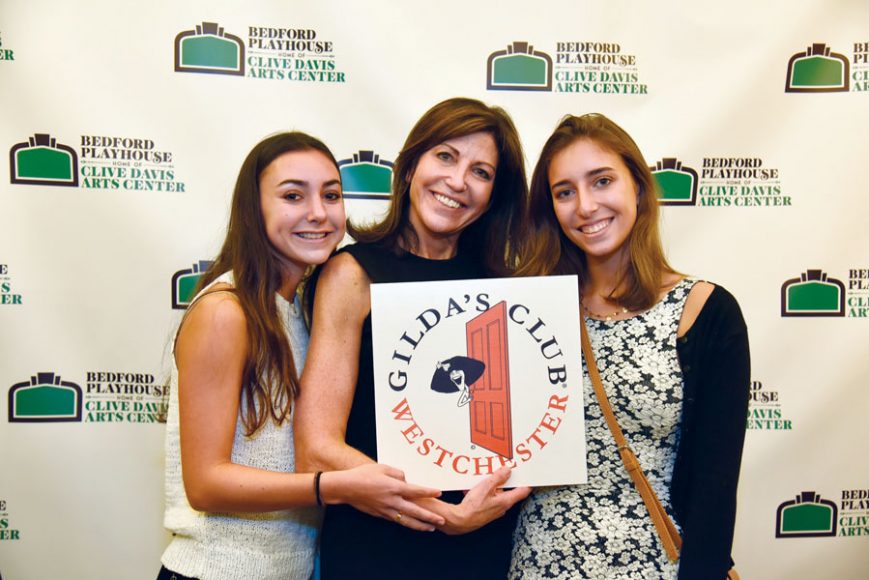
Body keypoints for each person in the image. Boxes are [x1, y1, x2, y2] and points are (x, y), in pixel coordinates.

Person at [159, 132, 444, 580]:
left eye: (331, 195)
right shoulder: (226, 311)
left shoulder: (302, 307)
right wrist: (334, 486)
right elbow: (206, 484)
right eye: (293, 195)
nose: (318, 213)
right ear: (254, 210)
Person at [295, 98, 532, 580]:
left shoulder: (505, 291)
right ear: (409, 168)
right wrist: (439, 513)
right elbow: (317, 447)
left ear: (493, 196)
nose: (458, 181)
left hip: (484, 549)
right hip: (377, 546)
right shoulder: (353, 274)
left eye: (481, 172)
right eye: (444, 156)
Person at [509, 114, 750, 579]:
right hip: (538, 564)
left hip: (659, 566)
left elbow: (714, 487)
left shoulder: (703, 311)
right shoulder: (528, 311)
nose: (585, 206)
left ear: (637, 187)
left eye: (601, 181)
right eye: (564, 192)